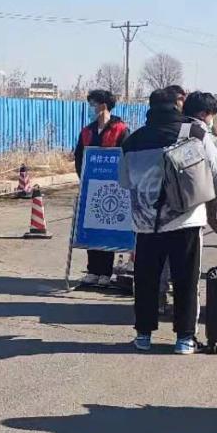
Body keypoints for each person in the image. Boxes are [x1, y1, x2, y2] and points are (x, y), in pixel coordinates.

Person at [119, 87, 217, 354]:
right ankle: (185, 339)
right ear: (177, 106)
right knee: (186, 280)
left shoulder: (132, 140)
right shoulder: (194, 133)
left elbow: (124, 181)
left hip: (146, 224)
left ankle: (143, 336)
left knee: (146, 281)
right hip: (186, 220)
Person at [74, 88, 130, 285]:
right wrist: (83, 178)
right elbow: (79, 157)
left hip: (113, 189)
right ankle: (93, 271)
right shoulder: (87, 131)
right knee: (92, 228)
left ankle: (106, 272)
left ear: (103, 106)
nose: (90, 108)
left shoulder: (121, 130)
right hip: (91, 187)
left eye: (92, 104)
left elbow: (127, 157)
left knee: (108, 229)